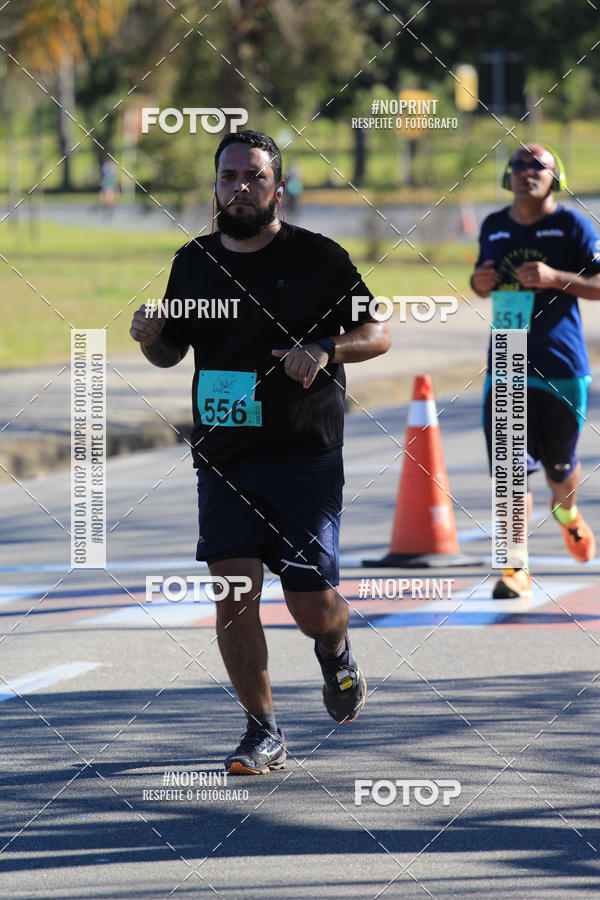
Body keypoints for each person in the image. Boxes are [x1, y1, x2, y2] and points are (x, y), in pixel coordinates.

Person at [130, 129, 390, 774]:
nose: (239, 188)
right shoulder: (193, 263)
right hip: (225, 455)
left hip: (304, 454)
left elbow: (378, 332)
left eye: (253, 176)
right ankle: (262, 730)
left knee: (310, 604)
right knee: (233, 587)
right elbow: (170, 353)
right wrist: (150, 338)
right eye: (228, 177)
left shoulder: (320, 260)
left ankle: (335, 648)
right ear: (215, 186)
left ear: (279, 186)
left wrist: (326, 349)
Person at [471, 144, 600, 599]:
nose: (527, 171)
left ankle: (567, 514)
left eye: (538, 165)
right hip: (507, 359)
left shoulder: (571, 225)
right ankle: (514, 567)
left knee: (560, 471)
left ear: (555, 177)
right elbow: (480, 277)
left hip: (562, 365)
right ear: (508, 177)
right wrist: (478, 283)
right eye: (520, 165)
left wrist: (554, 277)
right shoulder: (494, 225)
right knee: (509, 470)